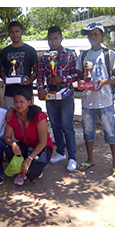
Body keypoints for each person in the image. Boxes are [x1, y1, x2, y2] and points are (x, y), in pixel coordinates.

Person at [76, 22, 115, 178]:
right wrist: (82, 83)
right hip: (88, 101)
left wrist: (104, 82)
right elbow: (79, 76)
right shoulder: (83, 55)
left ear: (102, 35)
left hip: (105, 101)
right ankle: (90, 159)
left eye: (95, 33)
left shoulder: (110, 54)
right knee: (88, 133)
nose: (92, 37)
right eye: (90, 34)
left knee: (111, 132)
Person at [36, 26, 79, 172]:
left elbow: (77, 75)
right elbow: (40, 76)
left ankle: (72, 157)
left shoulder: (71, 55)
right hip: (50, 95)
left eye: (55, 38)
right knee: (55, 125)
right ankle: (61, 152)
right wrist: (40, 88)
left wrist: (62, 78)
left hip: (66, 94)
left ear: (61, 38)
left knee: (67, 126)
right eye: (50, 38)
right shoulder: (44, 57)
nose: (53, 41)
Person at [3, 89, 53, 186]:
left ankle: (33, 167)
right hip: (26, 146)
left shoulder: (39, 116)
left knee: (32, 173)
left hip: (42, 148)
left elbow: (43, 142)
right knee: (10, 150)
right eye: (16, 102)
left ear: (29, 102)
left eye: (22, 102)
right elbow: (6, 137)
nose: (18, 105)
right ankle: (21, 171)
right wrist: (12, 144)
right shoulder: (12, 116)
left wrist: (29, 158)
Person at [0, 21, 39, 109]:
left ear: (22, 32)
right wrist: (4, 78)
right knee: (10, 119)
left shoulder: (30, 50)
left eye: (17, 31)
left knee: (27, 120)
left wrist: (30, 80)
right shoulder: (5, 52)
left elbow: (36, 70)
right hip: (10, 93)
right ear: (9, 33)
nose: (14, 34)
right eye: (12, 32)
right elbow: (2, 70)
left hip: (26, 93)